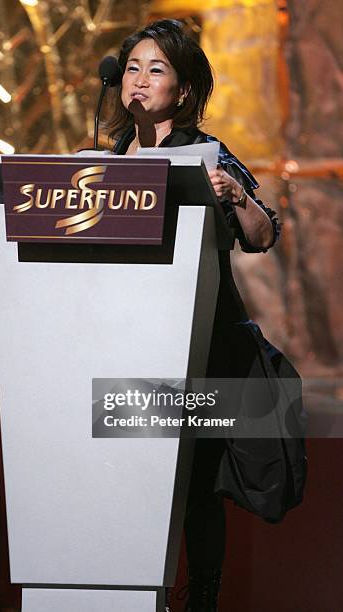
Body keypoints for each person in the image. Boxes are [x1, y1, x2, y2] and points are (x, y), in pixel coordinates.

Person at [105, 19, 296, 612]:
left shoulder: (204, 154)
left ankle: (201, 596)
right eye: (132, 68)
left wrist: (236, 198)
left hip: (200, 344)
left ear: (183, 91)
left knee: (191, 481)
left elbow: (265, 235)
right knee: (136, 477)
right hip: (127, 344)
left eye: (155, 69)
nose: (138, 80)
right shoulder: (111, 156)